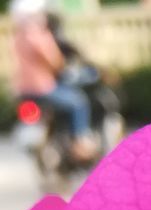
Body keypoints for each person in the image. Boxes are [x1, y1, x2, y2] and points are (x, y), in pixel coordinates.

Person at [10, 0, 96, 161]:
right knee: (78, 102)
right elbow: (55, 61)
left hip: (23, 90)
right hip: (42, 88)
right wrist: (64, 67)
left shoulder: (18, 37)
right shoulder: (38, 35)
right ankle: (79, 141)